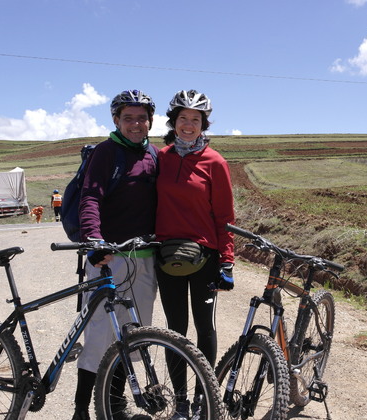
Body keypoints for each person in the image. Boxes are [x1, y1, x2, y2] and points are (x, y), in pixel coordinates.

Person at [72, 89, 159, 420]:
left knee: (132, 336)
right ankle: (80, 409)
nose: (135, 124)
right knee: (98, 335)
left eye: (141, 118)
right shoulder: (107, 153)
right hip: (109, 257)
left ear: (150, 121)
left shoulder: (154, 155)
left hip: (144, 258)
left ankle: (115, 405)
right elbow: (90, 197)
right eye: (128, 118)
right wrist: (94, 241)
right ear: (116, 121)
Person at [155, 89, 235, 420]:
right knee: (176, 329)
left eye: (196, 119)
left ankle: (204, 397)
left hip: (205, 257)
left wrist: (227, 260)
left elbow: (225, 216)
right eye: (183, 118)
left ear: (204, 124)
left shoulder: (215, 162)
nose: (189, 125)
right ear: (173, 122)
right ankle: (181, 402)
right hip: (166, 257)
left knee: (205, 327)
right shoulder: (160, 158)